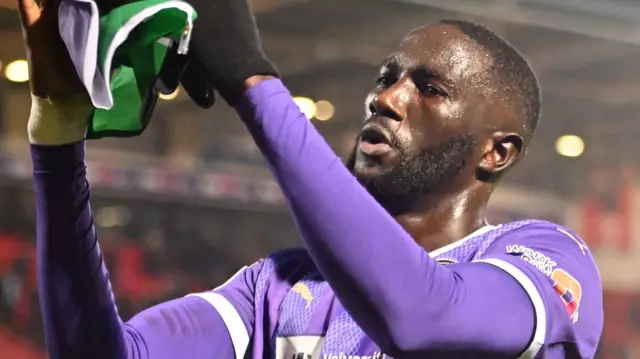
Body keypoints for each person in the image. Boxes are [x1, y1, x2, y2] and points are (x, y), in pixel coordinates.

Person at [20, 0, 603, 357]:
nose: (386, 97)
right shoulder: (274, 289)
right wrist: (58, 140)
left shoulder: (544, 259)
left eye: (430, 89)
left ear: (497, 152)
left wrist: (252, 81)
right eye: (387, 76)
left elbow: (420, 318)